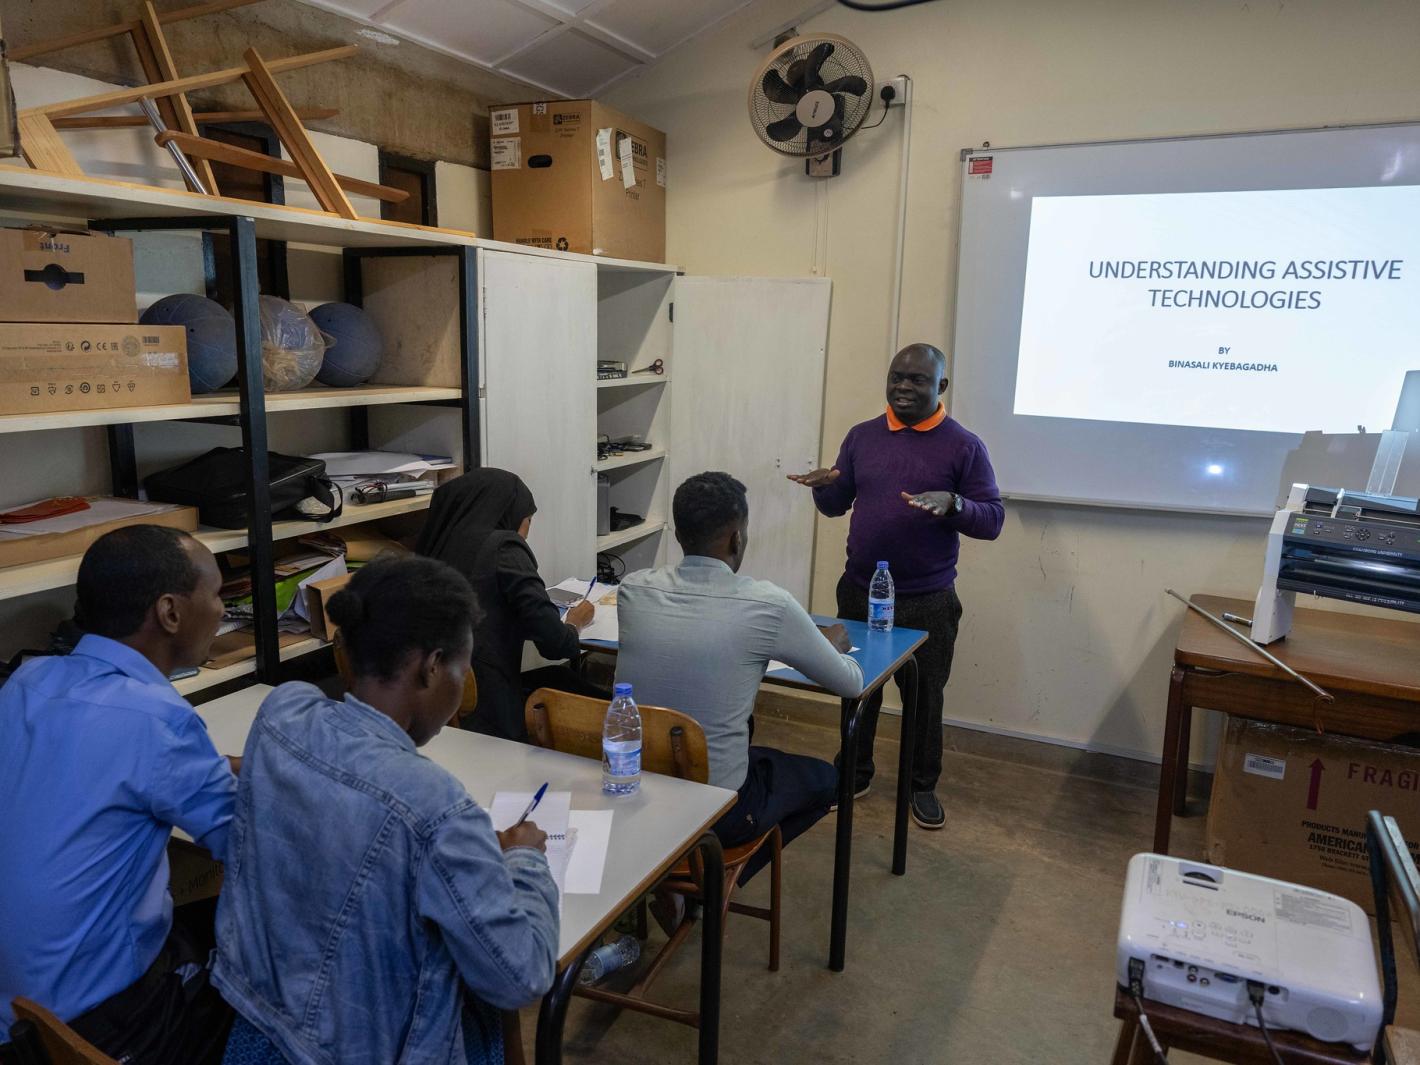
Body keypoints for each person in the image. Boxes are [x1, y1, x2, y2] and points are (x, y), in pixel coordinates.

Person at [213, 556, 558, 1065]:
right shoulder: (437, 806)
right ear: (431, 666)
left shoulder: (282, 713)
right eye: (462, 670)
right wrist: (525, 861)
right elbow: (521, 976)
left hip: (253, 1031)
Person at [0, 526, 235, 1064]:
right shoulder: (160, 721)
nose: (223, 610)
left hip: (14, 1016)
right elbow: (248, 848)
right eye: (218, 593)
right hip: (98, 1028)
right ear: (170, 613)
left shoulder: (27, 682)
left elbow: (100, 769)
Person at [790, 342, 1004, 830]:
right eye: (896, 377)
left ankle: (921, 786)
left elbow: (992, 520)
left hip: (928, 600)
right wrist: (824, 488)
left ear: (941, 387)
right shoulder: (863, 437)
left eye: (917, 380)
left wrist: (954, 503)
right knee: (857, 686)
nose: (903, 388)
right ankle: (855, 773)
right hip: (860, 592)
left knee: (925, 698)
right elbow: (835, 505)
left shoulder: (964, 445)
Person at [616, 472, 864, 884]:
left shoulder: (633, 589)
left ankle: (677, 882)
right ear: (737, 539)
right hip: (718, 808)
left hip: (635, 790)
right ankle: (715, 883)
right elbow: (851, 684)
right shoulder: (767, 604)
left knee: (748, 742)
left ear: (679, 536)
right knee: (828, 779)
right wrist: (830, 643)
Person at [417, 469, 598, 741]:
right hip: (490, 716)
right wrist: (575, 621)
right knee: (587, 694)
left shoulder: (430, 549)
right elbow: (557, 645)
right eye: (528, 520)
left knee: (558, 679)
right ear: (509, 514)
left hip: (434, 712)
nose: (527, 531)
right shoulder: (504, 548)